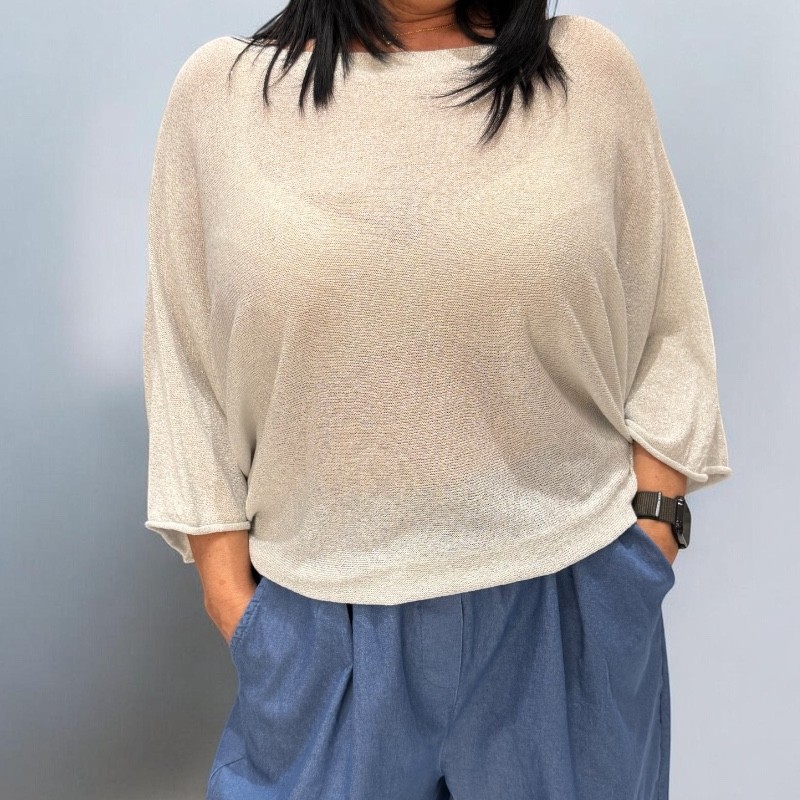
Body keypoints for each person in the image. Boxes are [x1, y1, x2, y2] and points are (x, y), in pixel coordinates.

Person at [141, 2, 732, 798]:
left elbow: (668, 318)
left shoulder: (586, 71)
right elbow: (186, 365)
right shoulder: (222, 95)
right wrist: (231, 595)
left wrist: (650, 539)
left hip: (565, 610)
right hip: (321, 623)